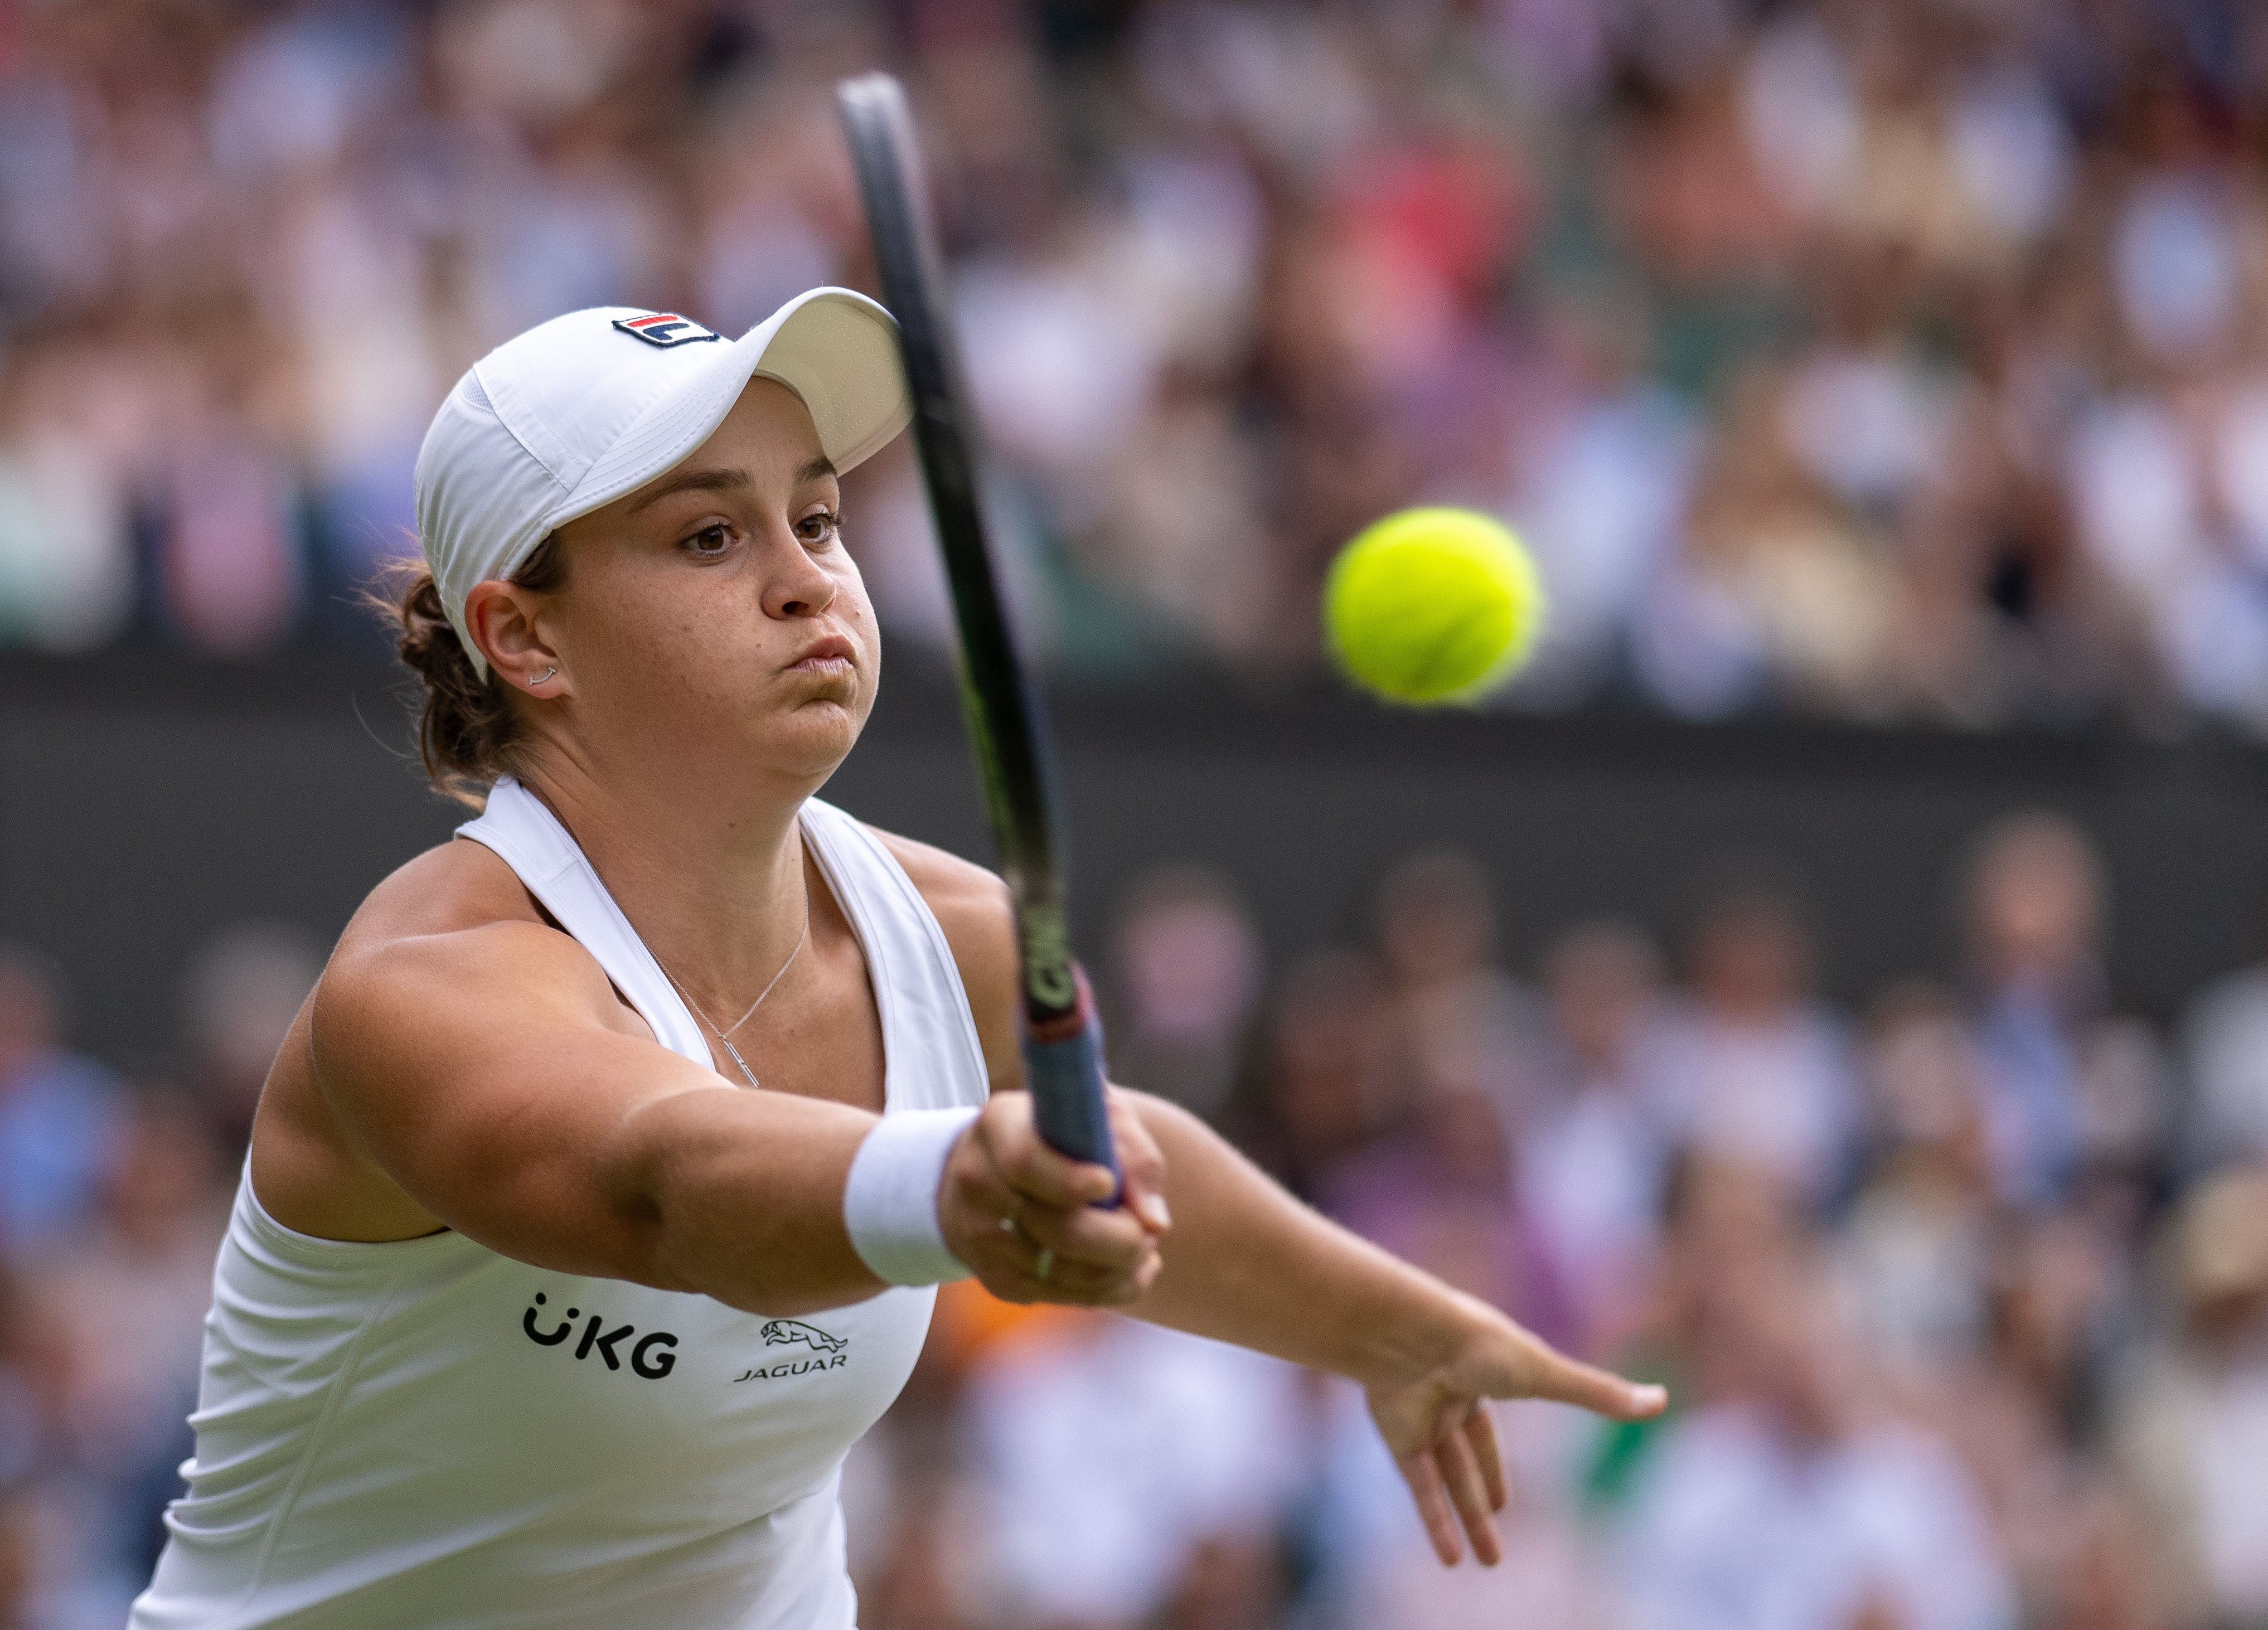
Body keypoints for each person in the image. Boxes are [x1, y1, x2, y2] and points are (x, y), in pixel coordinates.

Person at [128, 290, 1662, 1629]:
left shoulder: (963, 937)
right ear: (523, 636)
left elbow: (1114, 1171)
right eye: (711, 534)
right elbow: (667, 1182)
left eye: (819, 516)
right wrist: (945, 1188)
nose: (805, 576)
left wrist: (1389, 1330)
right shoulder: (422, 991)